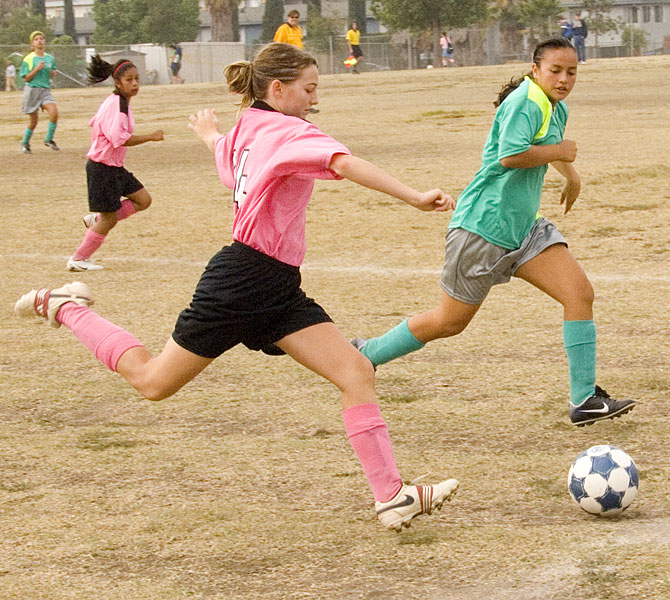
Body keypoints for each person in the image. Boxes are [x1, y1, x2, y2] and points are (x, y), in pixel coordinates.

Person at [15, 42, 459, 531]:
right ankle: (66, 306)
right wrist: (414, 196)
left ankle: (391, 497)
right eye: (309, 89)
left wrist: (210, 135)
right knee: (153, 382)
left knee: (355, 371)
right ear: (278, 89)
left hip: (276, 283)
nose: (315, 99)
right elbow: (343, 163)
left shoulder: (248, 124)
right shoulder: (291, 131)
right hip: (242, 281)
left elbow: (230, 167)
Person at [351, 38, 637, 428]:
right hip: (482, 230)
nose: (564, 79)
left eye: (572, 72)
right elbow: (511, 155)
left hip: (525, 229)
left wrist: (571, 176)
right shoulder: (525, 101)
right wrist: (562, 154)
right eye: (555, 70)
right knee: (449, 322)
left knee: (579, 294)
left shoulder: (555, 106)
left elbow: (549, 145)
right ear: (535, 70)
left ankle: (584, 400)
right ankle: (365, 355)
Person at [66, 55, 163, 272]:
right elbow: (119, 139)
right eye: (129, 80)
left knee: (143, 200)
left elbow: (95, 122)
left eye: (137, 79)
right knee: (109, 220)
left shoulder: (119, 103)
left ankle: (97, 220)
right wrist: (150, 137)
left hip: (114, 167)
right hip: (102, 168)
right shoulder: (117, 106)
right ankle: (78, 259)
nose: (135, 83)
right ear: (118, 82)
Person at [19, 31, 59, 153]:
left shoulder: (50, 58)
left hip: (45, 90)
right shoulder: (29, 59)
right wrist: (36, 69)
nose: (39, 41)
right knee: (34, 121)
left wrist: (53, 74)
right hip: (32, 91)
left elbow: (51, 72)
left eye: (41, 38)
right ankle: (25, 142)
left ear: (44, 41)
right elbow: (26, 78)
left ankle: (48, 139)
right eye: (36, 39)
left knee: (54, 113)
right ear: (32, 43)